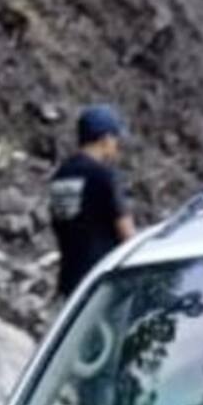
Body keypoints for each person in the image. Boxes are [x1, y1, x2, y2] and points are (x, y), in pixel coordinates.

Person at [49, 105, 136, 299]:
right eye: (115, 138)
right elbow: (126, 233)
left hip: (70, 280)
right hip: (102, 281)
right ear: (105, 139)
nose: (117, 144)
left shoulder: (60, 176)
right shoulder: (104, 176)